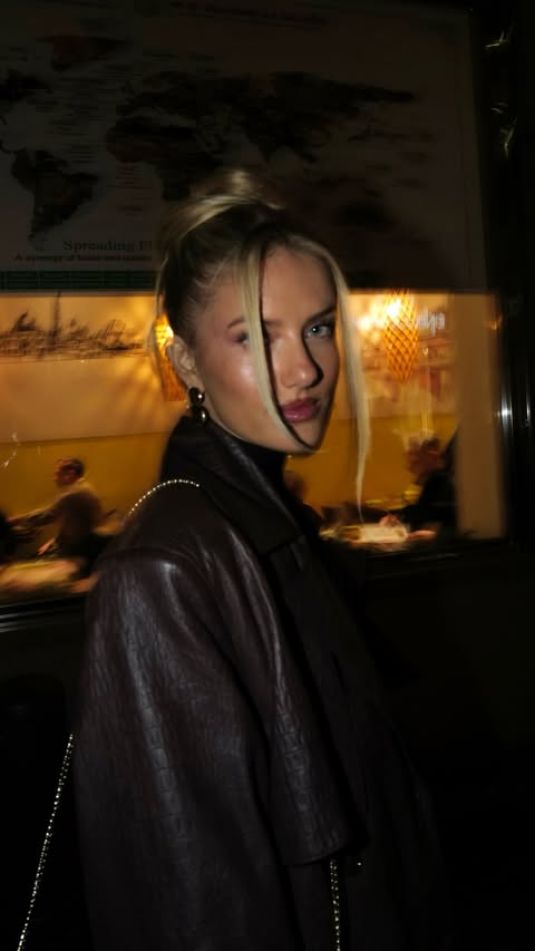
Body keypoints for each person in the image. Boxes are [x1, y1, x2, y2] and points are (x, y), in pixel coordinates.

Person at [74, 168, 452, 950]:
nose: (306, 368)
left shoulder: (270, 526)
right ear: (185, 362)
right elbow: (194, 905)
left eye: (316, 327)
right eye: (255, 335)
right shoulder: (165, 570)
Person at [9, 458, 106, 571]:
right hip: (84, 548)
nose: (54, 479)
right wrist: (53, 541)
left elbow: (46, 515)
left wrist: (14, 521)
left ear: (70, 474)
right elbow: (77, 525)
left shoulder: (74, 494)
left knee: (21, 570)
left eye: (57, 474)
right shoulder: (85, 488)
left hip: (78, 553)